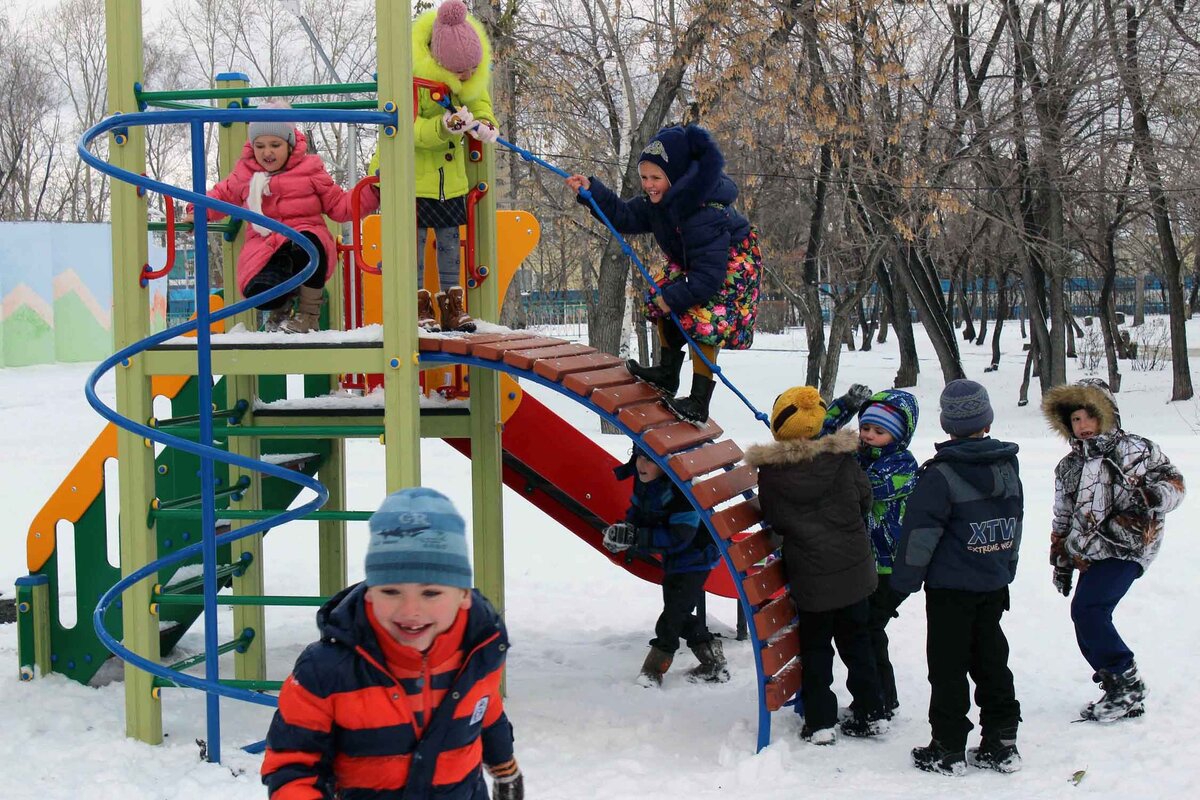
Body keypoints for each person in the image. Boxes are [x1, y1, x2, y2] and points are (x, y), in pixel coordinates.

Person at [261, 487, 524, 800]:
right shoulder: (326, 672)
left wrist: (503, 762)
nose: (410, 611)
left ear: (464, 595)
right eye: (391, 592)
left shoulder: (479, 647)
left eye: (430, 593)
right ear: (370, 591)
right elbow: (293, 766)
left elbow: (485, 705)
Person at [565, 124, 761, 425]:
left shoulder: (704, 213)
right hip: (693, 261)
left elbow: (709, 278)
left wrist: (676, 297)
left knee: (704, 318)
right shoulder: (660, 203)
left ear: (678, 177)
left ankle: (699, 401)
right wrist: (593, 193)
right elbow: (624, 215)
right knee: (660, 299)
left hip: (730, 266)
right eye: (644, 177)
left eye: (656, 178)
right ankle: (667, 374)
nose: (648, 185)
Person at [892, 379, 1023, 776]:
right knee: (991, 660)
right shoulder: (1006, 464)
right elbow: (1014, 522)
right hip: (992, 583)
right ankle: (1002, 740)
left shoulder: (940, 475)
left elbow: (919, 537)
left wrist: (900, 586)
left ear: (947, 425)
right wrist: (1006, 567)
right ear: (987, 420)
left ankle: (947, 747)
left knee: (947, 666)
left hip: (951, 590)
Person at [744, 386, 888, 745]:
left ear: (779, 427)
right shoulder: (841, 459)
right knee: (858, 645)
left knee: (817, 649)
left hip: (812, 581)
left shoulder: (773, 473)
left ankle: (821, 722)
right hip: (855, 572)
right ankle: (872, 712)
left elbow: (776, 519)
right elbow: (864, 499)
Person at [1042, 378, 1185, 723]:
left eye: (1089, 417)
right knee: (1083, 614)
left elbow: (1175, 484)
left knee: (1090, 610)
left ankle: (1126, 680)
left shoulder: (1136, 450)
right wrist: (1061, 560)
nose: (1083, 426)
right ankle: (1118, 686)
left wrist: (1153, 496)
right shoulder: (1068, 466)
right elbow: (1062, 515)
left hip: (1129, 546)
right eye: (1075, 420)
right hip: (1088, 551)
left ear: (1106, 415)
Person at [185, 100, 379, 334]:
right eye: (260, 145)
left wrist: (372, 192)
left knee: (308, 243)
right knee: (260, 291)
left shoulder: (310, 170)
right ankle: (279, 309)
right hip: (266, 248)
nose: (267, 152)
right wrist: (196, 212)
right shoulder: (246, 173)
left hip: (306, 243)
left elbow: (340, 205)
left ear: (289, 143)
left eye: (275, 144)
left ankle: (309, 315)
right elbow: (221, 196)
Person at [370, 0, 500, 333]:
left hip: (450, 182)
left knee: (449, 245)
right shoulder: (413, 82)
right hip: (414, 181)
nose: (467, 77)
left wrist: (483, 122)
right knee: (413, 246)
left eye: (472, 70)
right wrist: (443, 127)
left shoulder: (465, 80)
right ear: (440, 63)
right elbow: (405, 129)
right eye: (461, 72)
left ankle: (452, 307)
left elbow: (478, 99)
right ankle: (417, 305)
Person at [821, 384, 920, 717]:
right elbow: (820, 434)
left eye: (879, 430)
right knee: (867, 631)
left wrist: (836, 463)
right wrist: (846, 405)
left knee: (865, 630)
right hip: (866, 564)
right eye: (865, 428)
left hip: (891, 567)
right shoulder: (859, 456)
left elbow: (866, 490)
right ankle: (882, 697)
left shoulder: (902, 465)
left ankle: (877, 701)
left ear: (898, 434)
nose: (868, 435)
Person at [602, 446, 729, 687]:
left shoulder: (682, 492)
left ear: (666, 464)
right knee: (677, 615)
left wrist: (637, 537)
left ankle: (653, 672)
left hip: (696, 558)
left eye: (650, 460)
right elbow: (637, 512)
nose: (642, 464)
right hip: (676, 560)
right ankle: (713, 662)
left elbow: (681, 535)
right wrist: (625, 531)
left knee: (670, 620)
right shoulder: (645, 482)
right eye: (640, 457)